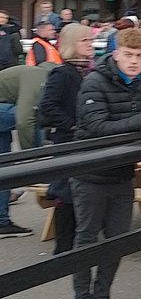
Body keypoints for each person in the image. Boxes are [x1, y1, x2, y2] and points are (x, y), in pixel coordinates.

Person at [70, 28, 141, 299]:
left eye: (140, 56)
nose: (134, 61)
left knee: (117, 241)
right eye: (128, 55)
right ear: (115, 54)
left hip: (122, 173)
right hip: (90, 173)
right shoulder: (94, 82)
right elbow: (97, 127)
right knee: (87, 240)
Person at [36, 23, 96, 254]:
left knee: (81, 193)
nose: (90, 44)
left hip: (85, 141)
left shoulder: (89, 72)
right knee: (67, 194)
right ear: (72, 44)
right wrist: (71, 125)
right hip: (68, 141)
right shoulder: (62, 73)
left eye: (91, 40)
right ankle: (63, 251)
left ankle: (76, 250)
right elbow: (48, 106)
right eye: (84, 41)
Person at [0, 60, 55, 238]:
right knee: (32, 116)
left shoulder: (35, 74)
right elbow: (24, 120)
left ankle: (2, 222)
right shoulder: (38, 77)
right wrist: (31, 157)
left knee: (3, 168)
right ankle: (37, 167)